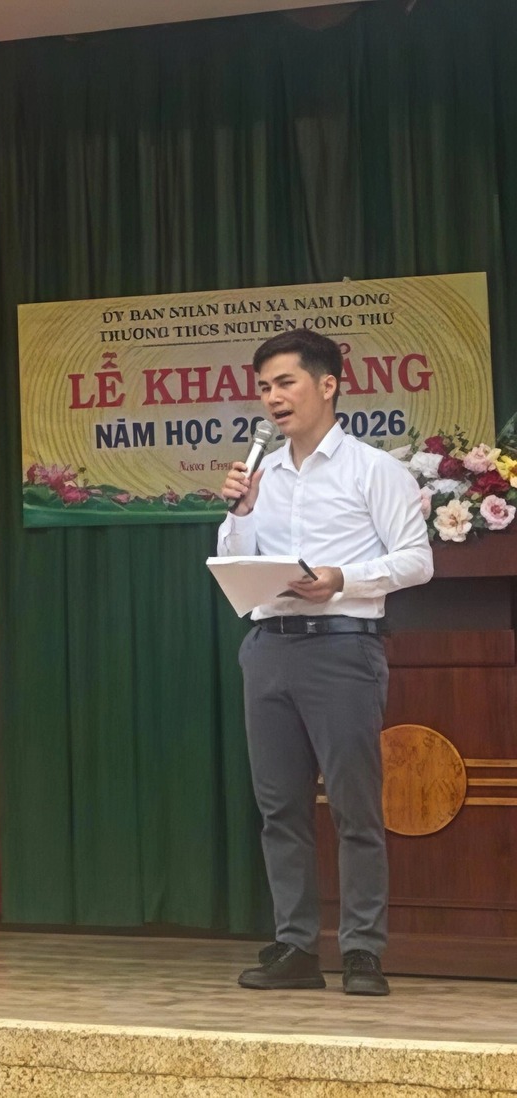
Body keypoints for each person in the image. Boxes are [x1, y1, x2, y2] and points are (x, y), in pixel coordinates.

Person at [217, 328, 432, 997]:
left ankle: (362, 951)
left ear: (328, 384)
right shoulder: (261, 476)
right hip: (268, 646)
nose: (272, 398)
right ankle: (296, 948)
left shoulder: (374, 470)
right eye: (263, 388)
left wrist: (342, 578)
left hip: (342, 646)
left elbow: (417, 560)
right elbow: (235, 559)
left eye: (285, 382)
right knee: (279, 809)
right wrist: (242, 512)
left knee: (354, 808)